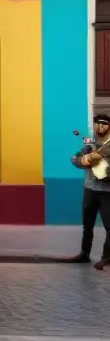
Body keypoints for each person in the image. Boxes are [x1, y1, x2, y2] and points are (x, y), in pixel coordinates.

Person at [61, 113, 110, 270]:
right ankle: (84, 253)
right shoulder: (90, 145)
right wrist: (85, 160)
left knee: (109, 226)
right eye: (98, 124)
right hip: (89, 190)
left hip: (106, 193)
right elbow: (74, 159)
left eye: (104, 124)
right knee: (87, 225)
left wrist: (104, 170)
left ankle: (107, 257)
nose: (100, 127)